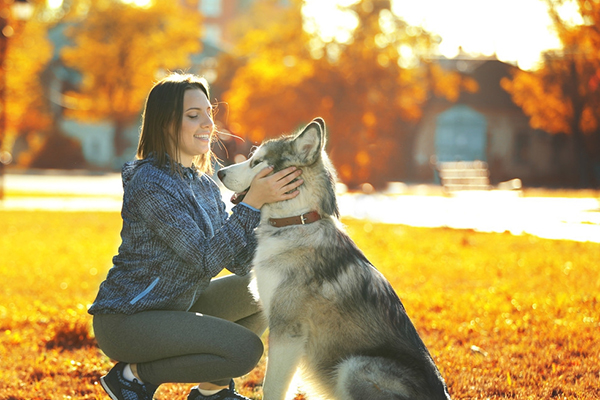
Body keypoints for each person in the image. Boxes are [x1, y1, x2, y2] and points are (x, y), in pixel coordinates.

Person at [88, 72, 303, 400]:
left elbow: (241, 262)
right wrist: (251, 204)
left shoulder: (202, 185)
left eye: (208, 113)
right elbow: (204, 259)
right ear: (165, 124)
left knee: (269, 286)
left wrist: (272, 215)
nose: (207, 123)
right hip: (128, 321)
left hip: (177, 309)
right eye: (193, 115)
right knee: (245, 351)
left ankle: (211, 393)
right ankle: (133, 377)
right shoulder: (150, 184)